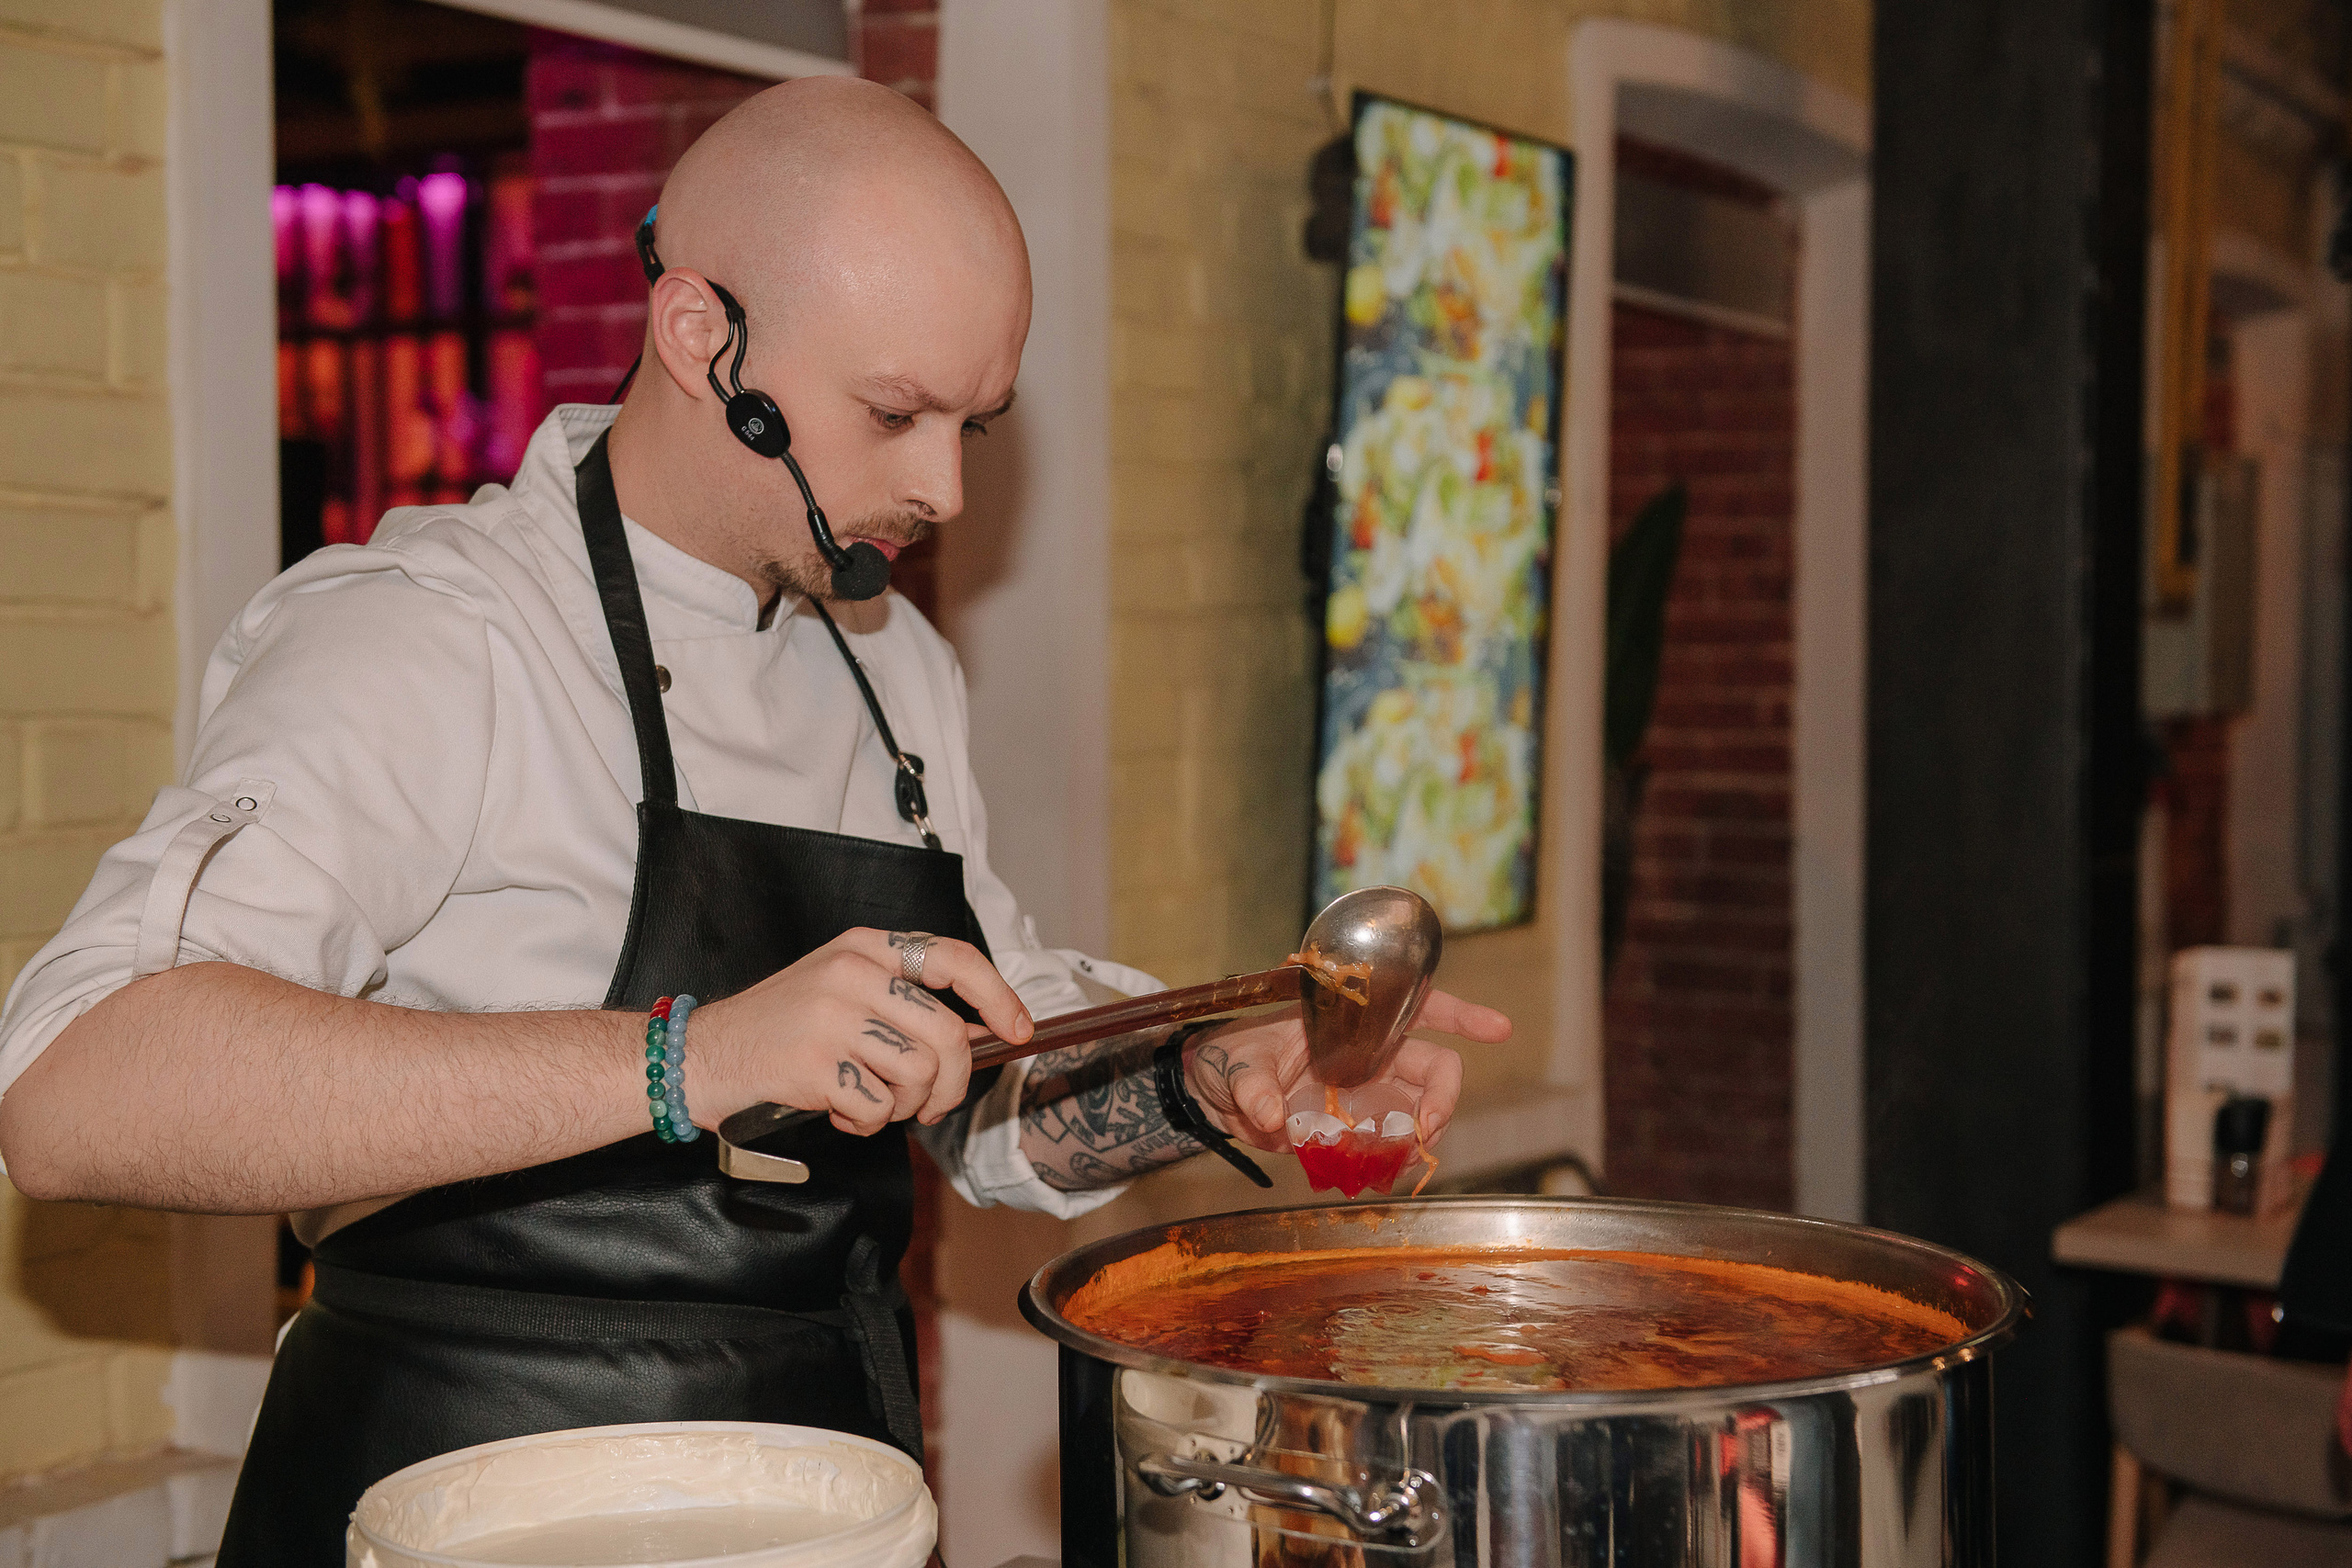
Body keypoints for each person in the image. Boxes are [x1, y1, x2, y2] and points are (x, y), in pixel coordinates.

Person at [0, 77, 1510, 1563]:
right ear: (700, 336)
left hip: (825, 1497)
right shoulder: (428, 636)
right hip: (454, 1493)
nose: (943, 490)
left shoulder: (893, 668)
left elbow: (976, 1095)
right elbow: (75, 1088)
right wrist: (690, 1057)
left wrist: (1201, 1072)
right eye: (893, 412)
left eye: (973, 425)